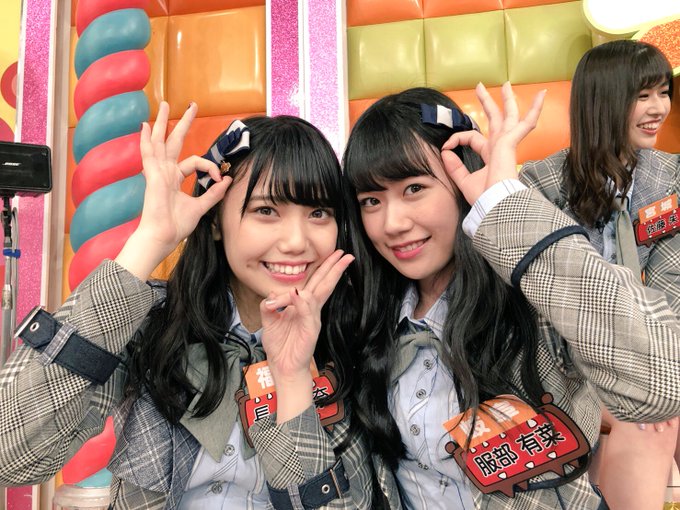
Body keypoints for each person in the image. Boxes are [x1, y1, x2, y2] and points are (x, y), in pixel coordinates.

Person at [0, 103, 376, 509]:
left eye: (318, 212)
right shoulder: (157, 323)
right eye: (266, 211)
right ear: (214, 221)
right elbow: (12, 453)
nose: (297, 242)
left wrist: (293, 380)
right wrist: (150, 239)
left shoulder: (351, 336)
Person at [341, 82, 680, 509]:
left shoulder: (534, 301)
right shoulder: (368, 319)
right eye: (371, 201)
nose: (392, 223)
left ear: (461, 180)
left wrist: (503, 203)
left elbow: (662, 381)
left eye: (414, 189)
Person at [520, 40, 679, 510]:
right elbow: (542, 303)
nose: (659, 109)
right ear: (602, 100)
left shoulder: (672, 178)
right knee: (648, 423)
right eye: (643, 95)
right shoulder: (540, 184)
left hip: (651, 355)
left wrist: (650, 378)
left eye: (663, 93)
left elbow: (672, 289)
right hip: (567, 367)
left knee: (657, 413)